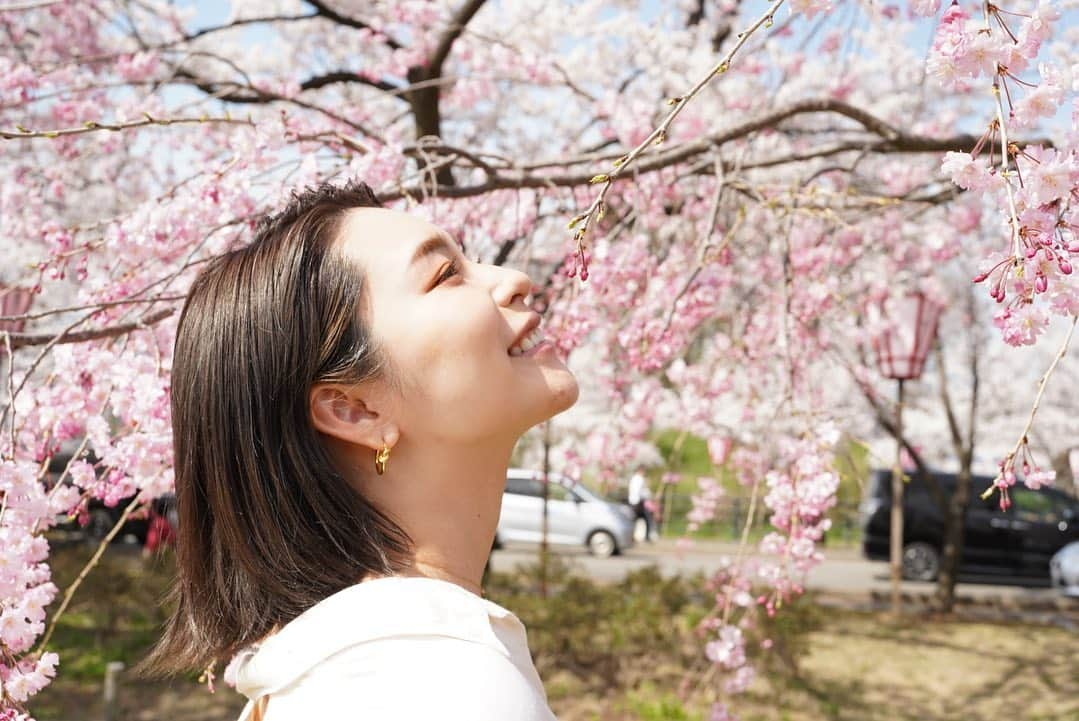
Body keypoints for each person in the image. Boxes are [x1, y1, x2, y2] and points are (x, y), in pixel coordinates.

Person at [140, 180, 580, 720]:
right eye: (445, 275)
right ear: (354, 409)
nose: (516, 280)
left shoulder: (368, 669)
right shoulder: (436, 686)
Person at [628, 465, 656, 542]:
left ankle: (634, 536)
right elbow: (641, 491)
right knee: (646, 518)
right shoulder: (639, 479)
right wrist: (649, 496)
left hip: (633, 501)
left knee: (637, 519)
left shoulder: (634, 478)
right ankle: (646, 536)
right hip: (638, 502)